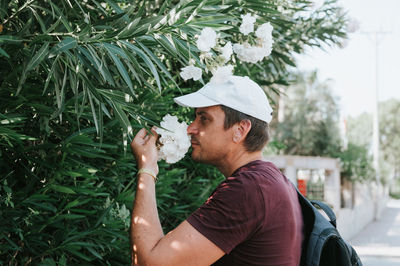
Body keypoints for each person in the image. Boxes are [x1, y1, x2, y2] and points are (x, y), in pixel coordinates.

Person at [130, 75, 304, 266]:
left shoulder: (248, 190)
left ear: (240, 130)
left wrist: (147, 168)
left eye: (204, 119)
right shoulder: (270, 181)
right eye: (195, 117)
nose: (191, 128)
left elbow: (149, 263)